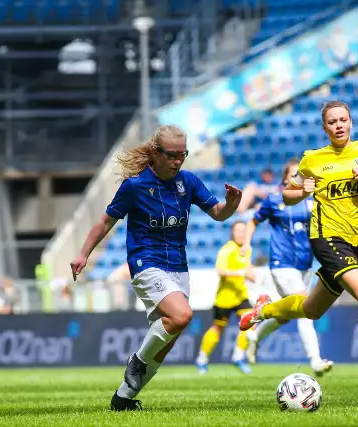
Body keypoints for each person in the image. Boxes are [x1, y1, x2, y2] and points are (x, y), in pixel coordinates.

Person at [239, 100, 358, 393]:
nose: (338, 125)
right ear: (324, 128)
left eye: (343, 119)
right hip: (326, 238)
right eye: (332, 121)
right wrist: (302, 191)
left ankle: (262, 311)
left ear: (350, 122)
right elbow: (287, 196)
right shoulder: (312, 159)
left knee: (311, 309)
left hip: (356, 241)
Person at [70, 125, 242, 411]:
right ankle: (136, 360)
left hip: (178, 266)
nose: (178, 161)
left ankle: (122, 399)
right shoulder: (135, 186)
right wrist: (84, 254)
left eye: (182, 155)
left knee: (165, 343)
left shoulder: (189, 182)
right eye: (172, 155)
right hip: (145, 262)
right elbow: (105, 222)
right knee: (182, 315)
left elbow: (218, 214)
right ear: (155, 152)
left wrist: (232, 205)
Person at [240, 158, 333, 376]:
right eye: (293, 175)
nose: (298, 178)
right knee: (304, 307)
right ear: (285, 178)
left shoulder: (312, 200)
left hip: (305, 264)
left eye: (301, 174)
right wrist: (246, 243)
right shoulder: (274, 200)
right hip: (282, 263)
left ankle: (255, 336)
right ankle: (316, 361)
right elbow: (253, 220)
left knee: (285, 315)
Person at [195, 221, 257, 374]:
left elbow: (248, 269)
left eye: (243, 231)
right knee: (218, 328)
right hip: (224, 298)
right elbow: (220, 270)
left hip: (240, 295)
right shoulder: (227, 249)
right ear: (232, 233)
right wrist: (241, 273)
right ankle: (202, 359)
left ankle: (238, 356)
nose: (241, 234)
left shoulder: (247, 249)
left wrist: (251, 275)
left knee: (251, 323)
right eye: (238, 231)